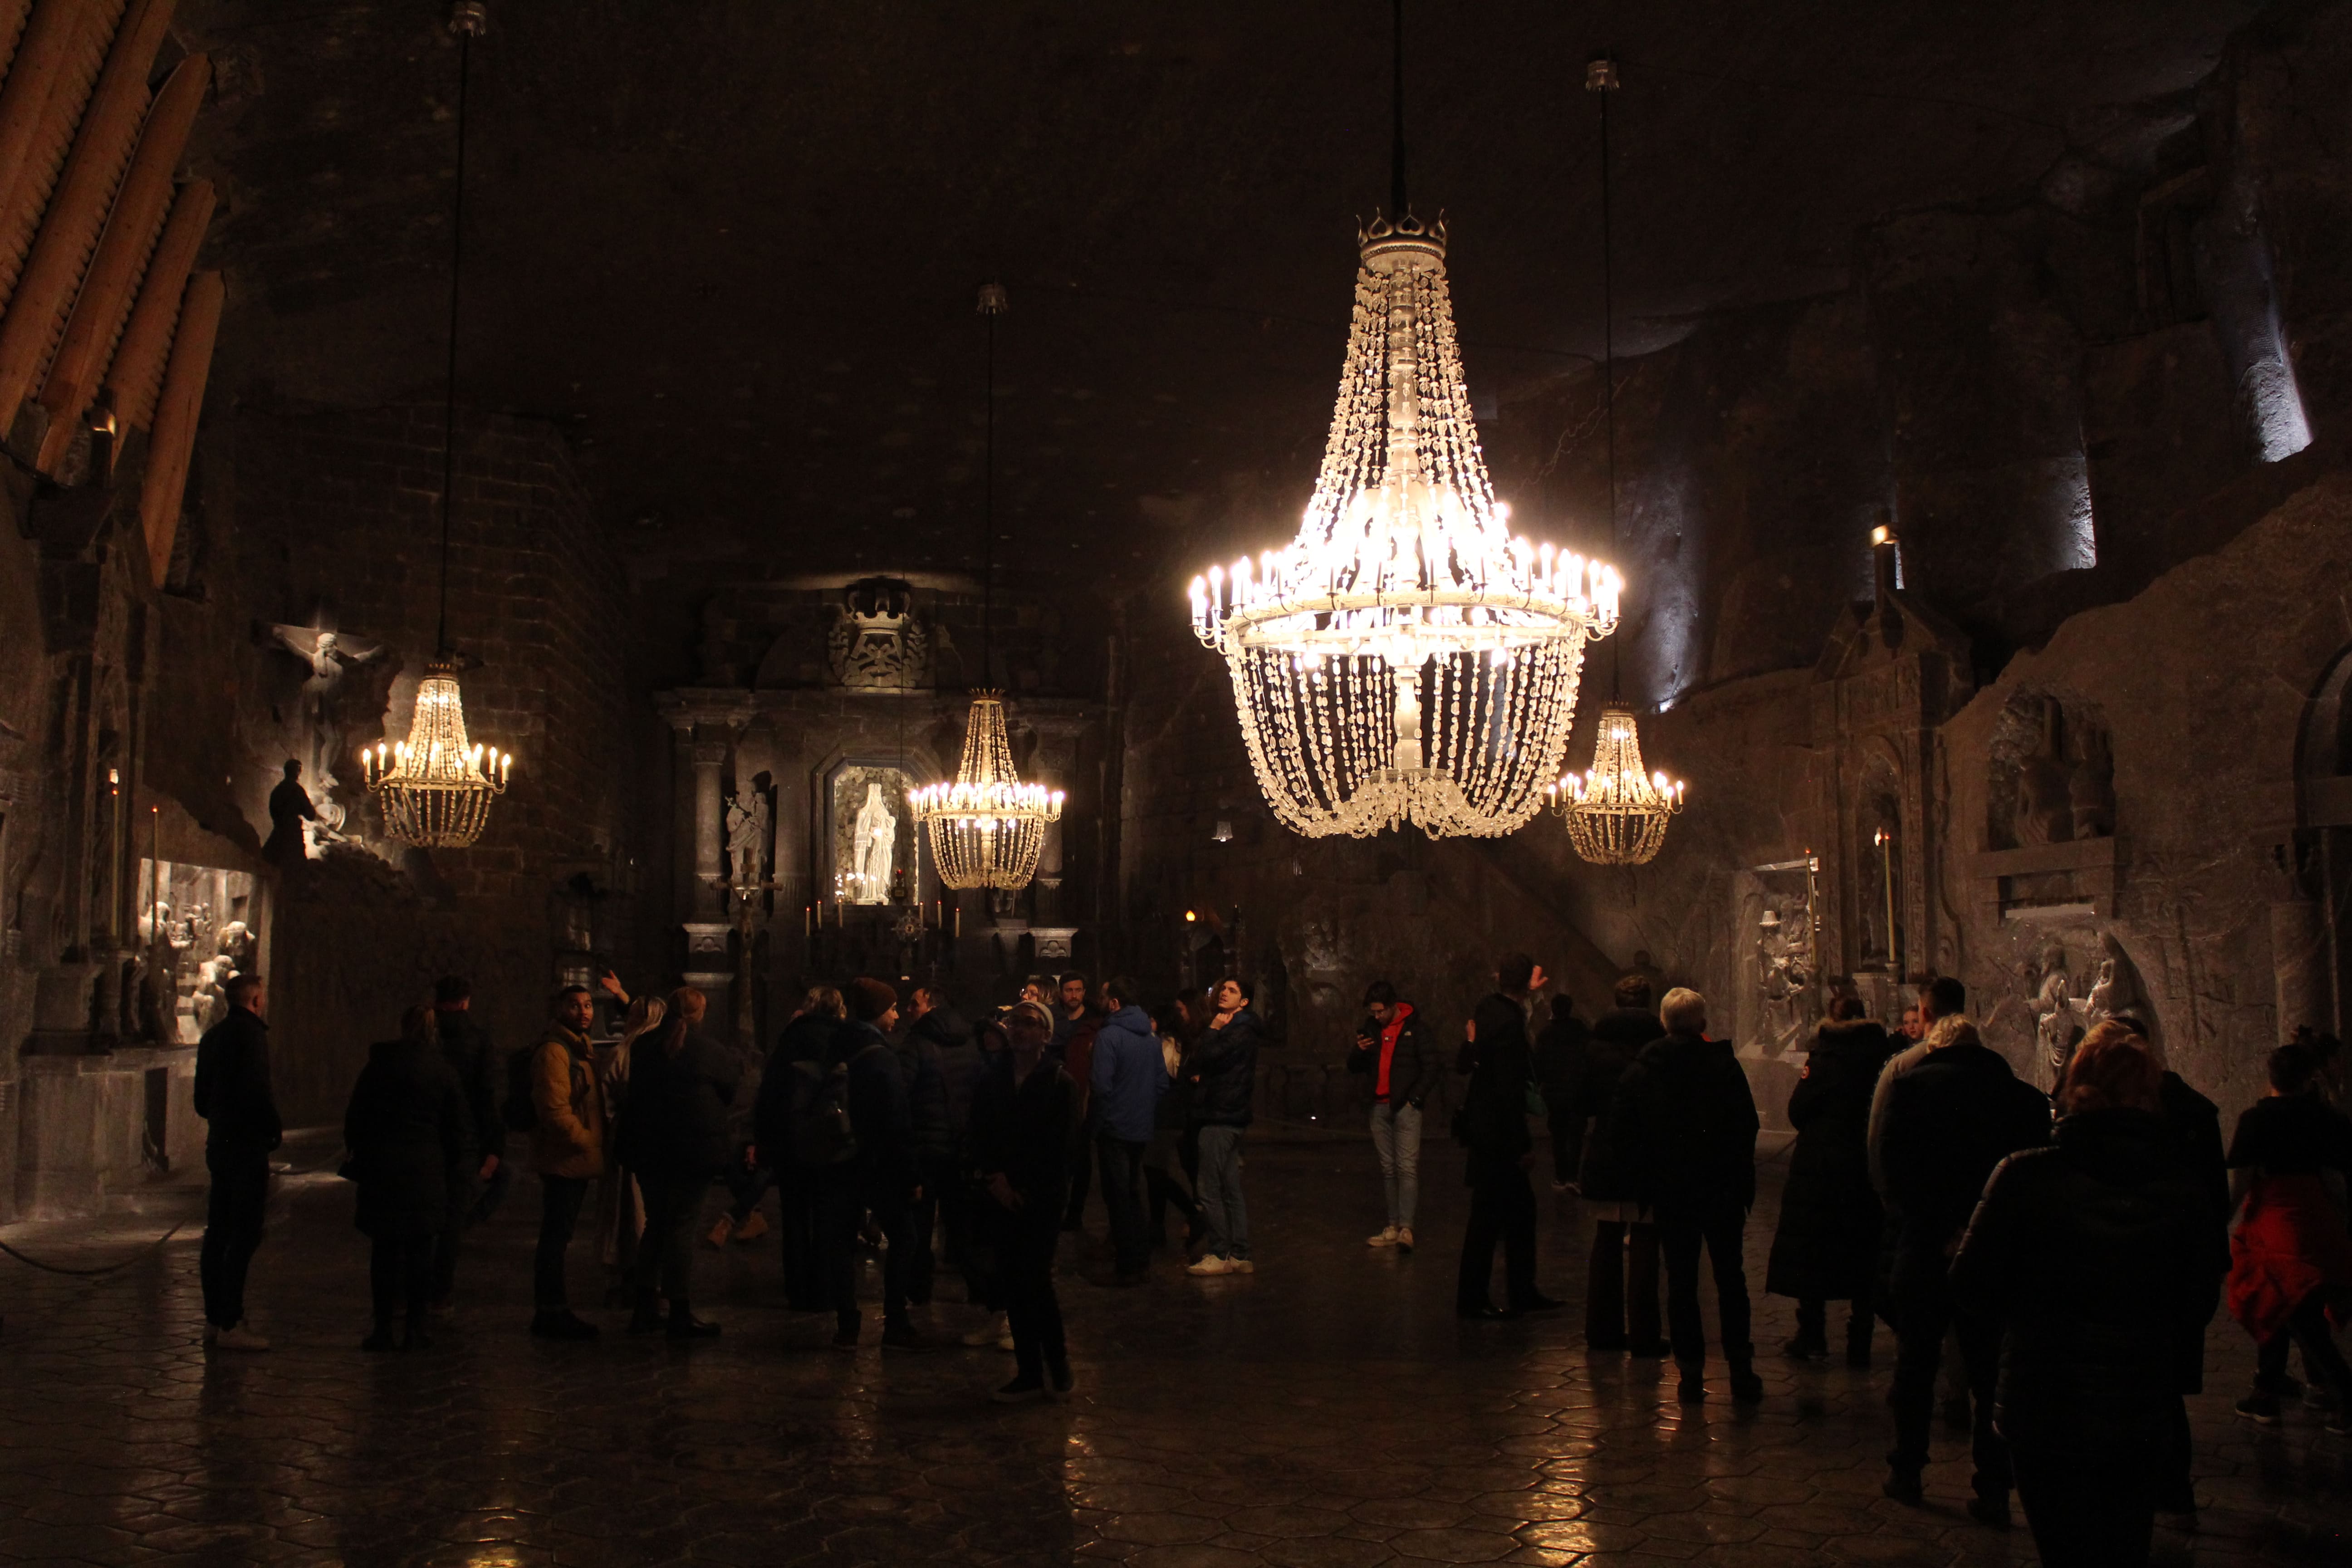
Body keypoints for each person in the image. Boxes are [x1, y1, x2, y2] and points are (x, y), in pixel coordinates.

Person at [1952, 1028, 2225, 1566]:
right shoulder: (2182, 1189)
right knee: (2125, 1545)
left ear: (2072, 1088)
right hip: (2139, 1402)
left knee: (2063, 1548)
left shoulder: (2024, 1175)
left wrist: (2031, 1315)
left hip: (2043, 1401)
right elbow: (2198, 1303)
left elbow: (1970, 1284)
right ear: (2149, 1097)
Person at [1875, 1012, 2049, 1516]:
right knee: (1989, 1370)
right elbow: (2029, 1178)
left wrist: (1937, 1227)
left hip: (1925, 1244)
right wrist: (1975, 1230)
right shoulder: (2021, 1098)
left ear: (1935, 1048)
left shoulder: (1910, 1091)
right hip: (1992, 1251)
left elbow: (1895, 1170)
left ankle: (1907, 1470)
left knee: (1915, 1364)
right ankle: (1992, 1486)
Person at [1607, 987, 1760, 1401]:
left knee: (1681, 1281)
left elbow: (1623, 1131)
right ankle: (1741, 1370)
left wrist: (1645, 1180)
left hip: (1672, 1190)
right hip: (1722, 1189)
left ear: (1664, 1023)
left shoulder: (1645, 1070)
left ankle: (1690, 1374)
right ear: (1702, 1024)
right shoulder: (1723, 1065)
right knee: (1731, 1279)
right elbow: (1746, 1125)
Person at [2225, 1039, 2352, 1429]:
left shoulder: (2255, 1120)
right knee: (2289, 1306)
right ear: (2307, 1078)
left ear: (2272, 1077)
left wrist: (2220, 1220)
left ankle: (2346, 1396)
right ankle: (2268, 1389)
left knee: (2291, 1311)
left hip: (2274, 1222)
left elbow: (2242, 1180)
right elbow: (2335, 1180)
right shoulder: (2326, 1118)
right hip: (2316, 1218)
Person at [1765, 995, 1897, 1365]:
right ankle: (1860, 1340)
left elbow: (1798, 1109)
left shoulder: (1824, 1058)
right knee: (1864, 1250)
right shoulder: (1882, 1059)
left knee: (1814, 1251)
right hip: (1864, 1167)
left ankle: (1812, 1334)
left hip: (1820, 1169)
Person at [343, 1004, 474, 1351]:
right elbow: (457, 1128)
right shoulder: (442, 1071)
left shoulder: (378, 1066)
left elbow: (356, 1117)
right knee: (421, 1252)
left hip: (383, 1169)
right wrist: (453, 1166)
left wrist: (363, 1153)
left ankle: (383, 1328)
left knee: (384, 1251)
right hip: (425, 1171)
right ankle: (416, 1328)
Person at [970, 1000, 1079, 1401]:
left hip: (1040, 1200)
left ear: (1046, 1035)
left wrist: (1026, 1190)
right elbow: (980, 1133)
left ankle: (1058, 1366)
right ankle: (1030, 1371)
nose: (1020, 1029)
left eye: (1030, 1023)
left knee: (1037, 1281)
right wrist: (995, 1179)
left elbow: (1060, 1150)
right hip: (1001, 1195)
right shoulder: (992, 1079)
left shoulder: (1059, 1083)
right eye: (1015, 1022)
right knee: (1013, 1283)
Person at [622, 987, 739, 1338]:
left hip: (650, 1149)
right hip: (693, 1151)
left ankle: (645, 1306)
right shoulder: (709, 1050)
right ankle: (679, 1310)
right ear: (700, 1014)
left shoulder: (644, 1046)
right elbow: (729, 1091)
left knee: (657, 1224)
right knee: (682, 1227)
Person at [1455, 954, 1562, 1319]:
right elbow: (1509, 1089)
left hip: (1486, 1130)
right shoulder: (1509, 1025)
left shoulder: (1489, 1011)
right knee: (1493, 1218)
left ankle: (1517, 1291)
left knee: (1512, 1214)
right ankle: (1479, 1299)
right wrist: (1522, 1146)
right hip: (1499, 1136)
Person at [823, 978, 923, 1351]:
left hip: (841, 1159)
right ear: (877, 1012)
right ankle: (896, 1322)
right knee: (905, 1237)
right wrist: (910, 1174)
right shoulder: (881, 1057)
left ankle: (847, 1326)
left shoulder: (836, 1046)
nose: (896, 1015)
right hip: (878, 1164)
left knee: (841, 1243)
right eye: (892, 1009)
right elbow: (898, 1120)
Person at [1575, 975, 1667, 1354]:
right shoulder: (1660, 1048)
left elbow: (1581, 1102)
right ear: (1648, 1003)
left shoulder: (1595, 1048)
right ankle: (1645, 1335)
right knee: (1645, 1240)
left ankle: (1602, 1331)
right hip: (1649, 1154)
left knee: (1606, 1239)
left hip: (1606, 1152)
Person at [195, 973, 281, 1352]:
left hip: (220, 1142)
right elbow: (258, 1091)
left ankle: (215, 1319)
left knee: (217, 1232)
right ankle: (231, 1320)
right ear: (256, 1000)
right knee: (244, 1233)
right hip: (246, 1146)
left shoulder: (213, 1037)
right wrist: (271, 1131)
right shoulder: (252, 1036)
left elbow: (201, 1100)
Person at [529, 984, 607, 1340]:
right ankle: (551, 1312)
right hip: (565, 1158)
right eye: (575, 1006)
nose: (584, 1012)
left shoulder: (580, 1048)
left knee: (560, 1236)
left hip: (573, 1158)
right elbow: (555, 1111)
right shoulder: (555, 1052)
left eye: (588, 1005)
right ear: (560, 1009)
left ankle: (553, 1309)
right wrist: (587, 1140)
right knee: (555, 1238)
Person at [428, 975, 505, 1308]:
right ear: (466, 1002)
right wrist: (494, 1146)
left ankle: (411, 1287)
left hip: (428, 1138)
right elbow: (487, 1096)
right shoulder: (477, 1040)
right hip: (465, 1139)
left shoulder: (427, 1035)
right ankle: (439, 1290)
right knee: (452, 1219)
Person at [1349, 980, 1439, 1251]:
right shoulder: (1371, 1029)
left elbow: (1431, 1066)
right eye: (1373, 1012)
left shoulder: (1416, 1030)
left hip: (1405, 1107)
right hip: (1378, 1107)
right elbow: (1354, 1066)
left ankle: (1406, 1228)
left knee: (1406, 1167)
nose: (1376, 1016)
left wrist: (1415, 1099)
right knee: (1389, 1169)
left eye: (1380, 1011)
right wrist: (1359, 1051)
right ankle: (1393, 1225)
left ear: (1392, 1006)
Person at [1183, 976, 1262, 1276]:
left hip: (1221, 1115)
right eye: (1224, 989)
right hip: (1228, 1113)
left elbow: (1207, 1056)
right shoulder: (1242, 1028)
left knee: (1209, 1188)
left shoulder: (1237, 1029)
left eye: (1232, 991)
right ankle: (1240, 1254)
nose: (1224, 993)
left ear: (1244, 1001)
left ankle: (1220, 1252)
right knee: (1230, 1188)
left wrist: (1213, 1029)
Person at [1089, 976, 1166, 1285]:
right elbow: (1161, 1084)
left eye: (1103, 996)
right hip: (1140, 1127)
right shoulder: (1151, 1039)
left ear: (1114, 1003)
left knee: (1118, 1196)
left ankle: (1128, 1264)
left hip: (1115, 1128)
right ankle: (1140, 1258)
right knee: (1133, 1194)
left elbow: (1100, 1085)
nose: (1099, 1000)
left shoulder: (1109, 1037)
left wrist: (1102, 1119)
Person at [889, 986, 957, 1306]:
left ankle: (918, 1288)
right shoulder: (966, 1040)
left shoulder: (915, 1044)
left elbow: (899, 1096)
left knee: (919, 1223)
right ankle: (982, 1290)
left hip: (926, 1147)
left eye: (914, 1004)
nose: (908, 1010)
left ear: (931, 1006)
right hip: (957, 1145)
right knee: (961, 1223)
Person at [593, 993, 662, 1308]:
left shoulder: (625, 1053)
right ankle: (640, 1275)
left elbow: (605, 1102)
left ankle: (632, 1274)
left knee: (630, 1209)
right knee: (635, 1209)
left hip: (630, 1140)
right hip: (646, 1141)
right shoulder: (646, 1053)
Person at [1143, 1003, 1200, 1252]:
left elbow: (1164, 1077)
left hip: (1165, 1115)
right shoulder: (1177, 1043)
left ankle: (1193, 1215)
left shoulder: (1167, 1044)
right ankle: (1157, 1228)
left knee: (1155, 1172)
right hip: (1169, 1114)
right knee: (1155, 1171)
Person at [1052, 972, 1105, 1231]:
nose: (1074, 995)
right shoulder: (1055, 1022)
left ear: (1084, 992)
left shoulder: (1095, 1024)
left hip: (1085, 1097)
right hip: (1057, 1098)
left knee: (1082, 1158)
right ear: (1061, 993)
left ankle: (1075, 1212)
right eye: (1069, 990)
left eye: (1078, 990)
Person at [1534, 994, 1589, 1192]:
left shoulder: (1546, 1034)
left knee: (1558, 1135)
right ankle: (1573, 1177)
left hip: (1554, 1092)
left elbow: (1539, 1065)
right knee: (1576, 1135)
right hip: (1578, 1091)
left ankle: (1560, 1176)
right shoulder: (1581, 1031)